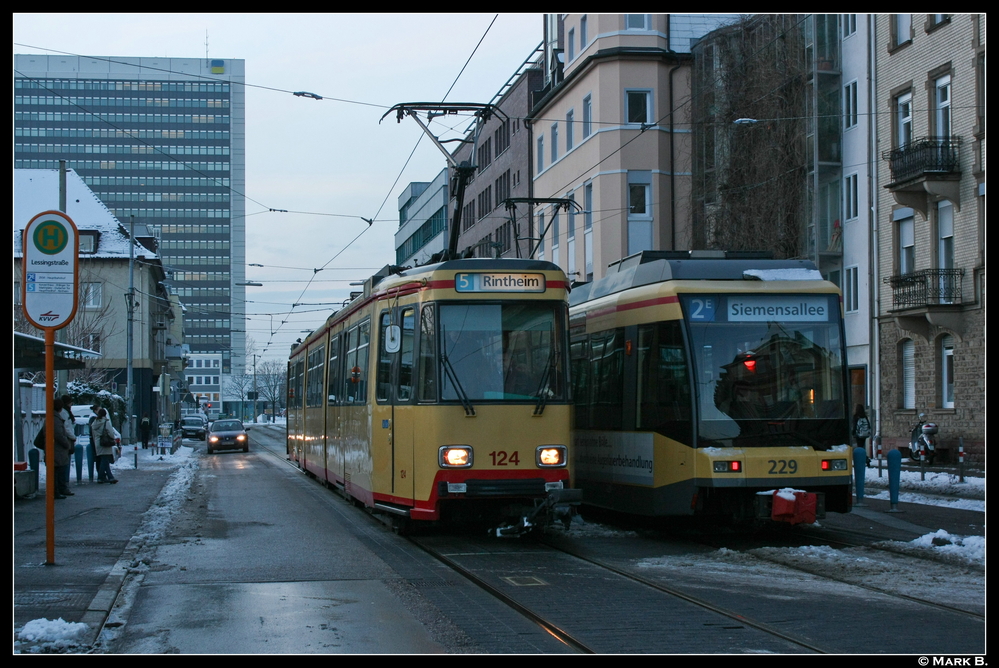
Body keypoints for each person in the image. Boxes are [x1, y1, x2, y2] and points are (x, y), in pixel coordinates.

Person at [90, 408, 118, 484]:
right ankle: (100, 477)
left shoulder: (95, 422)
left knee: (104, 460)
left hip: (98, 443)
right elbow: (111, 433)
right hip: (105, 443)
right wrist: (113, 438)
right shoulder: (106, 422)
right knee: (104, 460)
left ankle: (110, 477)